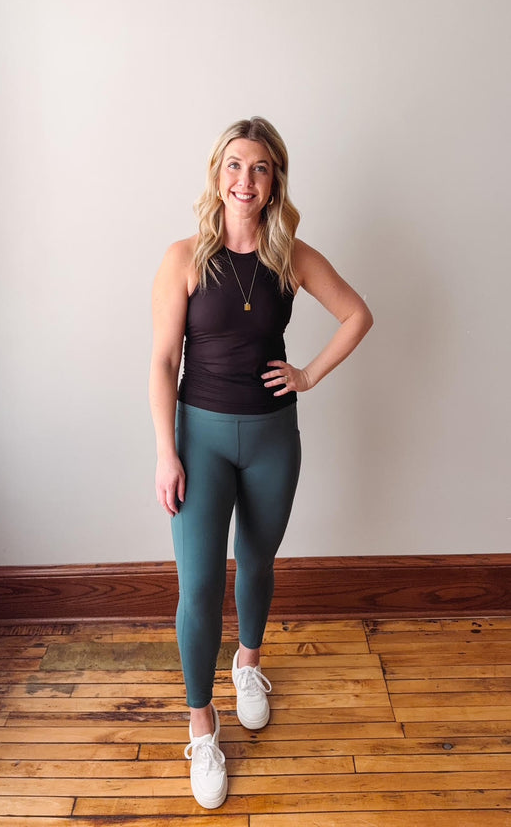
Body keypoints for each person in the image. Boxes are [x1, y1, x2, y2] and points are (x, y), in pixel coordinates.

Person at [149, 116, 373, 809]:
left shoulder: (291, 258)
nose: (245, 180)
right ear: (218, 174)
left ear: (274, 183)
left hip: (274, 438)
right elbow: (162, 361)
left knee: (259, 559)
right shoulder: (184, 257)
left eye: (260, 169)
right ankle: (201, 721)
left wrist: (306, 374)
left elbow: (356, 314)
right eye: (235, 166)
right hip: (201, 439)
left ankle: (247, 665)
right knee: (198, 589)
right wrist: (166, 450)